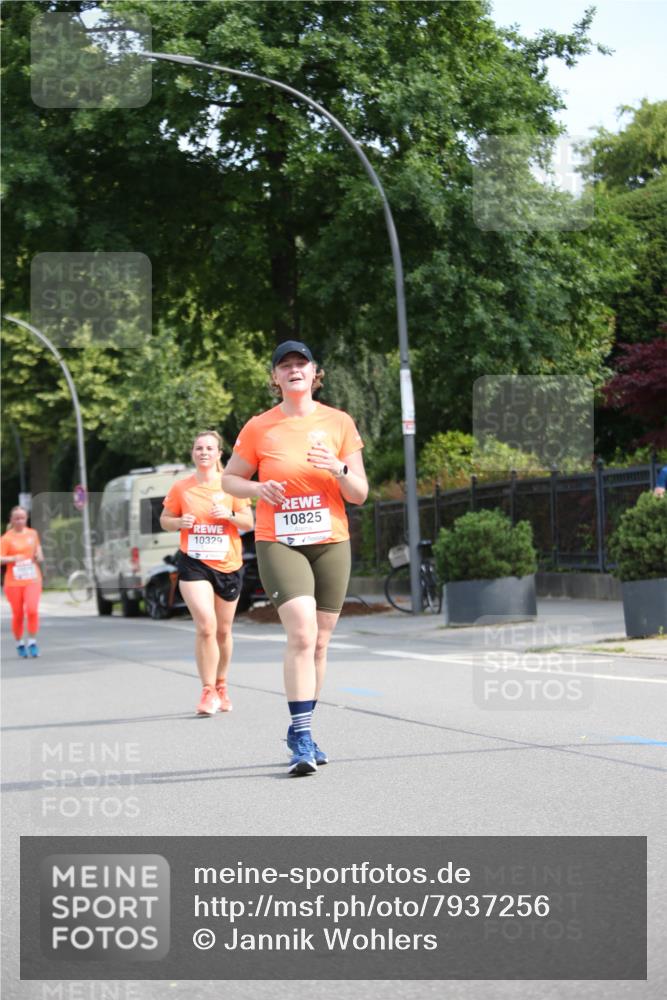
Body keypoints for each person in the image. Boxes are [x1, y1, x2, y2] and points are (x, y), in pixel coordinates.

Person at [222, 340, 368, 776]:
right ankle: (301, 736)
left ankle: (304, 727)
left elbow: (359, 494)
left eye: (300, 363)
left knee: (321, 641)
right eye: (284, 365)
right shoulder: (259, 427)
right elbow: (230, 480)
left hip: (330, 540)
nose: (293, 370)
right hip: (278, 540)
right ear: (276, 378)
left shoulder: (339, 422)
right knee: (302, 632)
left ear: (314, 371)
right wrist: (256, 489)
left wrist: (337, 468)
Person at [160, 430, 254, 716]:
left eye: (209, 448)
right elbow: (164, 520)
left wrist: (229, 516)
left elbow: (249, 522)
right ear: (193, 453)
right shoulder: (181, 488)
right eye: (198, 448)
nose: (203, 452)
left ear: (219, 453)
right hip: (194, 563)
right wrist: (179, 522)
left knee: (224, 631)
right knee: (206, 626)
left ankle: (221, 684)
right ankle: (207, 690)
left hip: (227, 564)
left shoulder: (231, 486)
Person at [1, 506, 44, 658]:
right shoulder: (6, 538)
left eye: (22, 518)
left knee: (32, 610)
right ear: (11, 520)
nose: (20, 521)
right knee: (18, 614)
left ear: (26, 519)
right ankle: (19, 643)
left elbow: (39, 552)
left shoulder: (33, 534)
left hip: (32, 578)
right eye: (16, 518)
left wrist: (39, 556)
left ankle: (32, 642)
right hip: (13, 582)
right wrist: (13, 558)